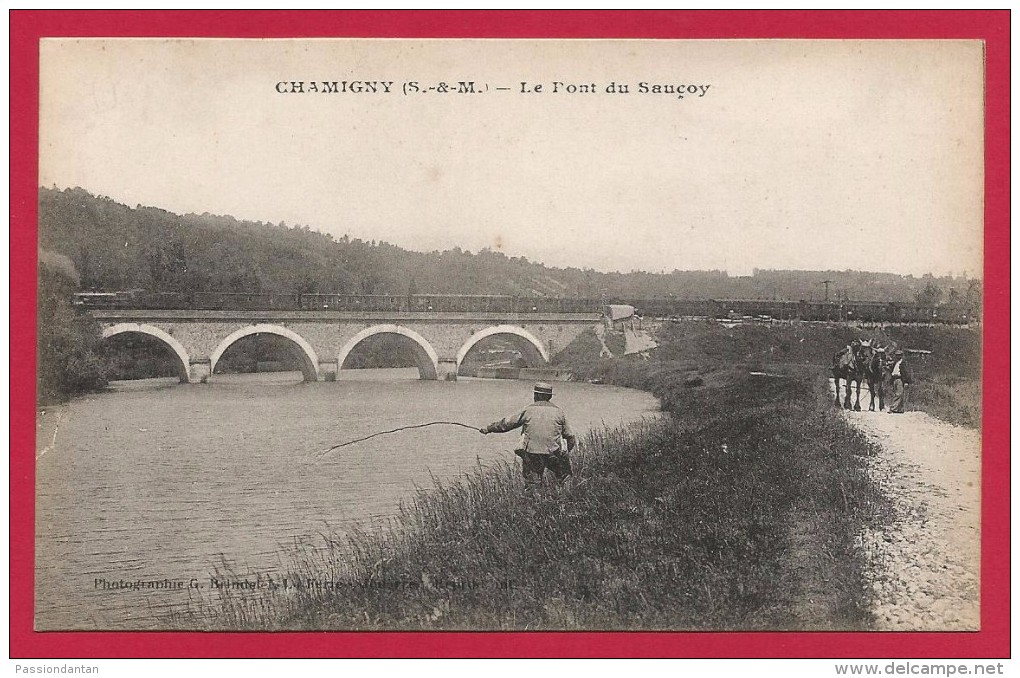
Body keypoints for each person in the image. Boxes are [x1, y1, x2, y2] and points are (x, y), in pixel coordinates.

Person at [480, 382, 576, 489]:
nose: (534, 396)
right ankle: (565, 499)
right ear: (549, 397)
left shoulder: (528, 410)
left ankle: (535, 502)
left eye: (535, 394)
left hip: (532, 453)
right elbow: (571, 437)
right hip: (553, 452)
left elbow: (506, 424)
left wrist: (489, 429)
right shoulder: (559, 412)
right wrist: (565, 454)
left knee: (533, 485)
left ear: (538, 395)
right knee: (565, 477)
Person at [887, 349, 913, 414]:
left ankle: (893, 408)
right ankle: (900, 409)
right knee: (898, 393)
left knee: (899, 394)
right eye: (896, 355)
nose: (897, 356)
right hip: (894, 379)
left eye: (898, 355)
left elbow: (906, 372)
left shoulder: (903, 363)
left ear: (901, 356)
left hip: (900, 379)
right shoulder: (895, 362)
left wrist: (907, 381)